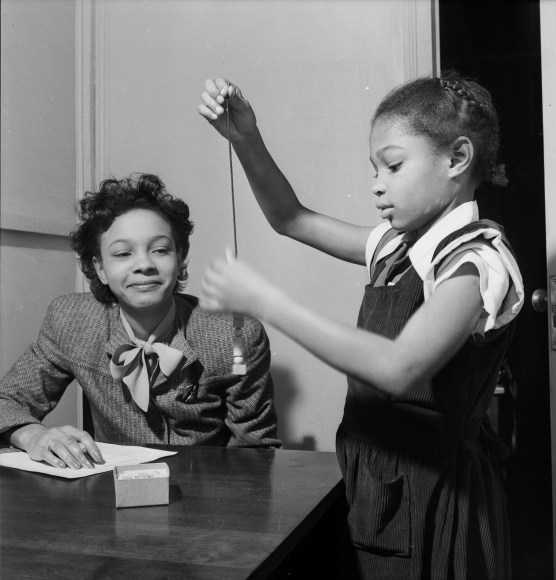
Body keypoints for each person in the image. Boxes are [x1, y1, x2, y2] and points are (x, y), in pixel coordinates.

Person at [198, 72, 523, 579]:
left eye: (393, 165)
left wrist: (268, 302)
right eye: (375, 167)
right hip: (377, 479)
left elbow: (400, 368)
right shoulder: (395, 246)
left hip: (436, 495)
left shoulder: (476, 262)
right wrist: (246, 138)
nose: (377, 183)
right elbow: (289, 217)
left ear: (457, 158)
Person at [0, 173, 280, 471]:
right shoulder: (71, 320)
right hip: (111, 496)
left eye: (160, 250)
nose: (144, 265)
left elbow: (255, 449)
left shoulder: (237, 335)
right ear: (101, 268)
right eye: (122, 253)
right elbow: (7, 401)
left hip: (209, 499)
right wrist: (34, 436)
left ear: (181, 257)